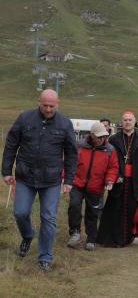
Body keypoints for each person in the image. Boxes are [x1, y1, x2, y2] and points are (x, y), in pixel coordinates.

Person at [1, 89, 77, 272]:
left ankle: (45, 257)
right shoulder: (24, 118)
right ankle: (27, 236)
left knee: (48, 218)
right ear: (39, 102)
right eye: (45, 105)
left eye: (52, 106)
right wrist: (6, 171)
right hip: (25, 176)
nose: (49, 109)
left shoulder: (65, 124)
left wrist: (68, 180)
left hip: (51, 180)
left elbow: (72, 154)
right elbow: (11, 144)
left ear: (57, 104)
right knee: (20, 213)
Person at [96, 111, 138, 247]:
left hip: (135, 180)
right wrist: (113, 176)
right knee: (115, 209)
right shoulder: (114, 139)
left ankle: (127, 237)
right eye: (125, 120)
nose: (127, 122)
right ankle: (114, 238)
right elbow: (109, 159)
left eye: (130, 120)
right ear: (122, 121)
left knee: (132, 208)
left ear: (134, 121)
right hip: (118, 179)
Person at [67, 122, 118, 251]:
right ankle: (75, 232)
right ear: (92, 135)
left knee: (93, 212)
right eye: (99, 137)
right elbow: (70, 162)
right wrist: (65, 179)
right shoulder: (79, 145)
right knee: (74, 206)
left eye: (104, 137)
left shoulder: (110, 149)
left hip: (96, 186)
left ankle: (91, 239)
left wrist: (110, 180)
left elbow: (113, 167)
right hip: (77, 183)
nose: (102, 139)